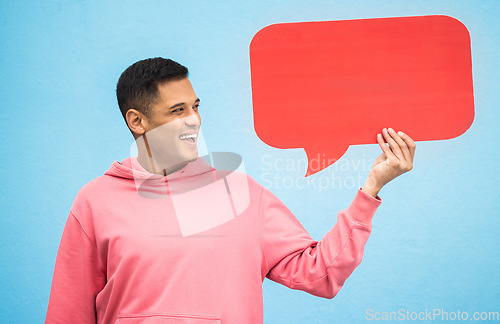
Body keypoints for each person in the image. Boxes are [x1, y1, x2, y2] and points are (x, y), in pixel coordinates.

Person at [46, 57, 415, 323]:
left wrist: (371, 189)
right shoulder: (94, 202)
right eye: (176, 110)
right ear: (137, 121)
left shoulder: (242, 194)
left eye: (195, 106)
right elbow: (69, 313)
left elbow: (320, 274)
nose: (193, 119)